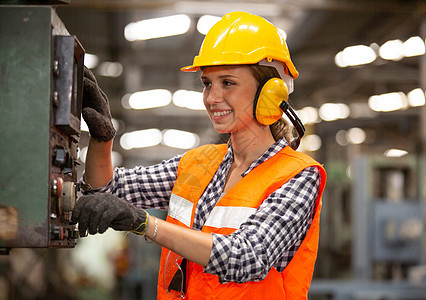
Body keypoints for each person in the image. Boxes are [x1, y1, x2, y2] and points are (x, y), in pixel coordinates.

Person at [72, 11, 327, 300]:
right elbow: (106, 189)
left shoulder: (299, 176)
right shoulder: (198, 164)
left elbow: (247, 257)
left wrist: (146, 223)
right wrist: (102, 140)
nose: (211, 97)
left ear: (270, 92)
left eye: (227, 83)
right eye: (207, 83)